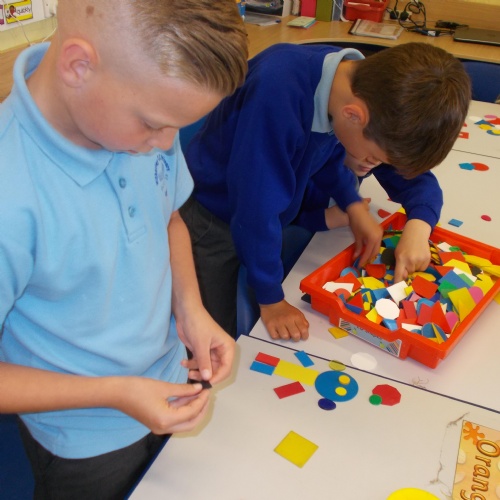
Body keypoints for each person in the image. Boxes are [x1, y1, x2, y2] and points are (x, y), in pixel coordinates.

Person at [0, 0, 248, 498]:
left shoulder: (137, 121)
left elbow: (169, 217)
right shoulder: (11, 193)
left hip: (165, 380)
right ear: (78, 66)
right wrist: (118, 393)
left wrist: (191, 309)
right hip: (84, 435)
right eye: (155, 123)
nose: (167, 142)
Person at [180, 42, 471, 342]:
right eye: (374, 158)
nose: (373, 165)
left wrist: (353, 204)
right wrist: (271, 301)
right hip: (213, 218)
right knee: (212, 333)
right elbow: (256, 209)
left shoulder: (349, 88)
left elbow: (325, 151)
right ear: (353, 116)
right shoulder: (278, 92)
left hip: (264, 219)